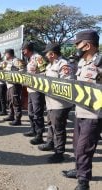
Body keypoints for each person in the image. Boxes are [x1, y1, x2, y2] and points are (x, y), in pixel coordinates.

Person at [62, 30, 102, 190]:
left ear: (87, 45)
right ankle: (80, 171)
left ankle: (83, 182)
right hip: (80, 111)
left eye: (78, 43)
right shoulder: (82, 62)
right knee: (76, 144)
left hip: (94, 114)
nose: (76, 47)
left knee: (84, 148)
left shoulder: (100, 63)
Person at [38, 43, 74, 163]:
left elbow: (66, 85)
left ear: (52, 54)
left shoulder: (64, 65)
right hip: (50, 101)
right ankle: (50, 142)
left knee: (58, 127)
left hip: (60, 103)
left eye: (47, 53)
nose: (46, 56)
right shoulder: (50, 65)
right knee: (51, 123)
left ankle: (59, 152)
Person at [22, 42, 47, 144]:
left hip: (37, 90)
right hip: (30, 90)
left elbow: (44, 73)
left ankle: (39, 135)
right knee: (30, 112)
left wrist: (35, 81)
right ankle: (33, 130)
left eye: (24, 50)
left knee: (37, 113)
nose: (23, 52)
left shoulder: (38, 58)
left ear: (28, 49)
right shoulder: (29, 59)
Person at [3, 49, 25, 126]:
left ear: (9, 54)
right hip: (9, 84)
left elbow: (22, 70)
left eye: (5, 54)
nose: (5, 55)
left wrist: (15, 74)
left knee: (15, 101)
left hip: (15, 85)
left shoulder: (17, 61)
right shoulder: (8, 62)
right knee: (9, 100)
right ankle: (11, 115)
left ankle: (18, 119)